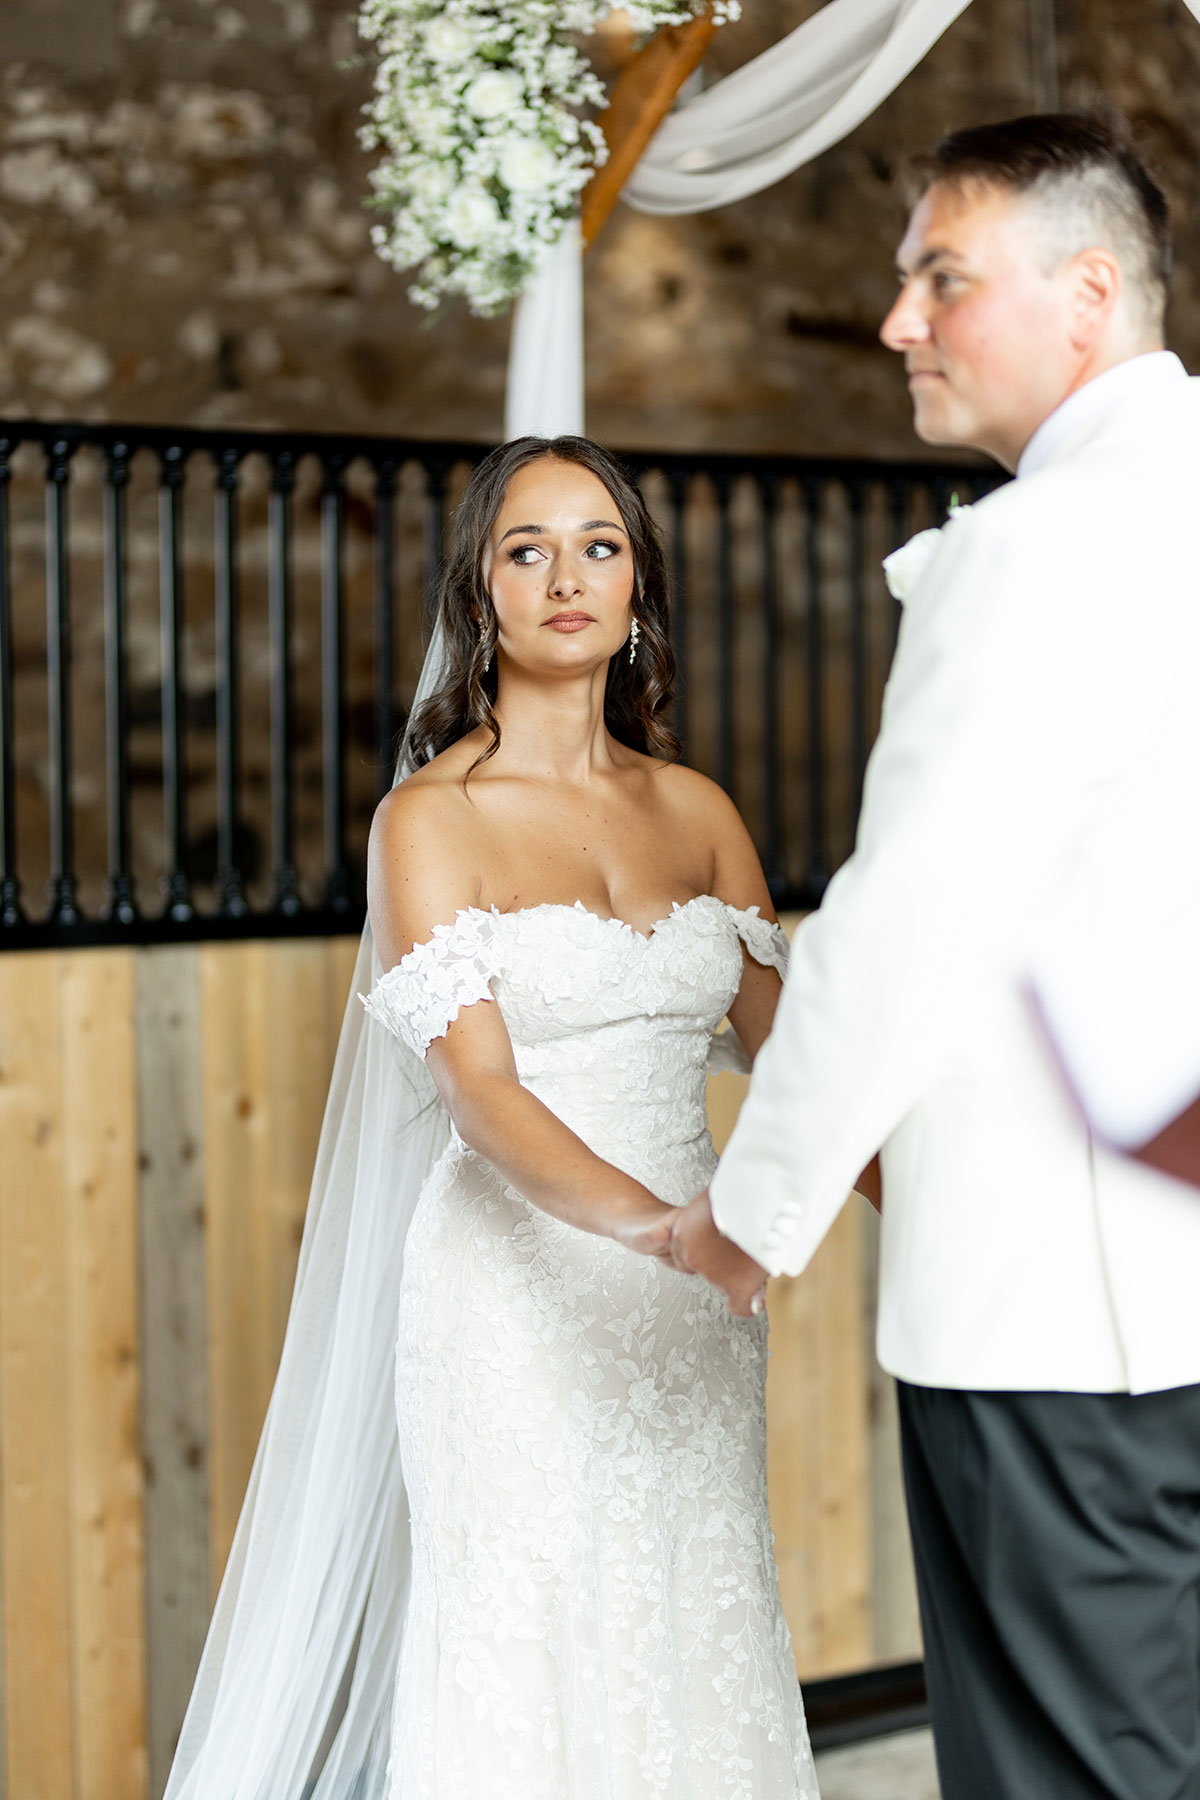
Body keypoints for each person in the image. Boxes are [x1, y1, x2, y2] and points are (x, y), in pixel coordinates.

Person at [630, 113, 1200, 1800]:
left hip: (1062, 1299)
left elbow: (912, 911)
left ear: (1086, 292)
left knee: (1069, 1772)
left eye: (939, 279)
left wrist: (755, 1209)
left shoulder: (1034, 547)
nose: (897, 323)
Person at [165, 433, 818, 1800]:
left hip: (692, 1310)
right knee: (528, 1640)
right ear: (481, 595)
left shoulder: (701, 812)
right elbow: (482, 1090)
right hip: (518, 1293)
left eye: (601, 546)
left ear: (638, 586)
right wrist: (665, 1230)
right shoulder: (430, 819)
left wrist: (922, 1192)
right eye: (528, 549)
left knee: (693, 1612)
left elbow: (801, 1059)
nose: (566, 576)